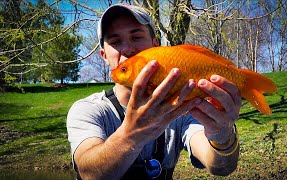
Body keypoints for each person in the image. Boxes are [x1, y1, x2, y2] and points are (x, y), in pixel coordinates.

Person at [67, 3, 241, 180]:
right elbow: (88, 173)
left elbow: (220, 166)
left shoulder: (181, 106)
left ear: (156, 46)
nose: (127, 50)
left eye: (136, 37)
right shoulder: (88, 110)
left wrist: (223, 135)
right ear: (104, 55)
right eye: (115, 41)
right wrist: (131, 135)